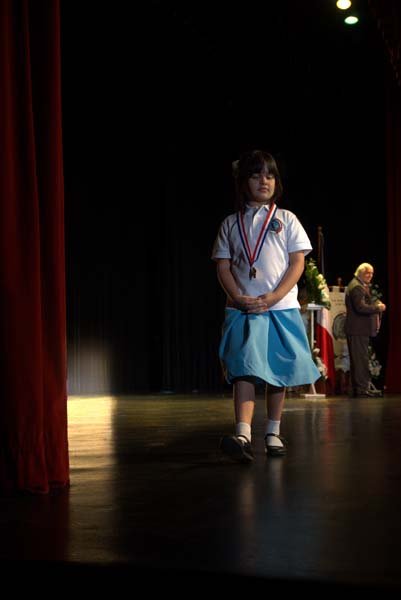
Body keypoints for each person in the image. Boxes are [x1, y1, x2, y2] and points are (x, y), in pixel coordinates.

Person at [211, 149, 320, 463]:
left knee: (278, 371)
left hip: (279, 308)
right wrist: (237, 296)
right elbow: (223, 267)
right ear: (243, 181)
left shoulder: (286, 219)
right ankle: (243, 434)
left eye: (270, 175)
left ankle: (273, 430)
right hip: (243, 309)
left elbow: (297, 263)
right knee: (243, 370)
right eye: (256, 174)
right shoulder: (231, 223)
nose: (264, 181)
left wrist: (274, 296)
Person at [344, 263, 386, 398]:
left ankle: (356, 389)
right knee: (360, 360)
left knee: (358, 360)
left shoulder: (357, 284)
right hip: (358, 329)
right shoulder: (357, 286)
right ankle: (362, 389)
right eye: (367, 273)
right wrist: (377, 308)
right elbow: (360, 308)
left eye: (372, 273)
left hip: (357, 329)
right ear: (360, 273)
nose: (370, 275)